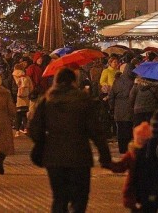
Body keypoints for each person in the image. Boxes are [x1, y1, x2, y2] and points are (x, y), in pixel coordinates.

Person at [28, 67, 112, 213]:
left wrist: (44, 142)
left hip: (54, 157)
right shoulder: (83, 99)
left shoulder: (47, 100)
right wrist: (105, 155)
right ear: (74, 81)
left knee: (59, 198)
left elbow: (34, 130)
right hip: (79, 157)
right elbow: (96, 131)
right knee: (80, 197)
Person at [107, 121, 153, 211]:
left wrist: (109, 164)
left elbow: (120, 166)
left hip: (134, 189)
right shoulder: (153, 155)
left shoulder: (132, 154)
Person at [109, 64, 136, 153]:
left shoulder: (117, 81)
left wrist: (111, 107)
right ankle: (127, 148)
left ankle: (122, 148)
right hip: (129, 108)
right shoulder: (132, 82)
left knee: (120, 129)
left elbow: (111, 95)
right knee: (128, 129)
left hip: (118, 108)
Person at [12, 66, 34, 134]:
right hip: (25, 98)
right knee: (24, 114)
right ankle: (25, 128)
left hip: (17, 98)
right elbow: (31, 88)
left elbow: (11, 86)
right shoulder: (27, 77)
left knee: (18, 114)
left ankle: (17, 130)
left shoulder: (13, 77)